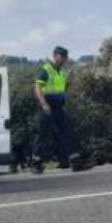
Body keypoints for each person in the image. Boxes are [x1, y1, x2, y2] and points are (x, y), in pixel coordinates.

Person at [34, 45, 83, 173]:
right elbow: (38, 88)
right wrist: (44, 104)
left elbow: (61, 89)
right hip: (47, 106)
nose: (64, 60)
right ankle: (36, 163)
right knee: (43, 136)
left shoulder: (61, 72)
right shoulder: (46, 69)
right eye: (62, 57)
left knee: (67, 132)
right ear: (55, 56)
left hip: (58, 106)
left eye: (65, 57)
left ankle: (75, 162)